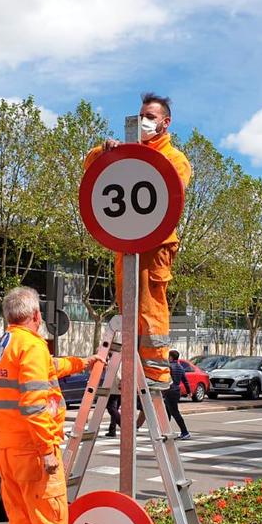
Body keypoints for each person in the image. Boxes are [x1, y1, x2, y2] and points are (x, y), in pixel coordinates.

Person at [0, 286, 101, 524]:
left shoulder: (7, 345)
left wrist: (84, 362)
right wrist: (46, 451)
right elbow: (35, 402)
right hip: (32, 451)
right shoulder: (32, 345)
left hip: (7, 449)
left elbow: (48, 368)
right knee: (50, 523)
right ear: (36, 316)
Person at [83, 93, 192, 387]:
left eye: (151, 117)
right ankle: (135, 369)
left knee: (150, 308)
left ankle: (155, 373)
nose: (144, 121)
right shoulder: (128, 150)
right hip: (128, 241)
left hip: (155, 243)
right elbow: (91, 164)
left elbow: (171, 191)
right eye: (141, 115)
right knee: (129, 306)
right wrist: (108, 151)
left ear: (166, 122)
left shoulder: (175, 158)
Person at [165, 349, 191, 440]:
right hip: (176, 391)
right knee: (167, 411)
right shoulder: (180, 367)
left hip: (170, 391)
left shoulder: (169, 367)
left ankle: (185, 432)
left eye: (168, 356)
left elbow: (166, 379)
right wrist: (189, 392)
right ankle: (165, 430)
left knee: (174, 412)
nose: (168, 358)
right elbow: (185, 381)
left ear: (171, 357)